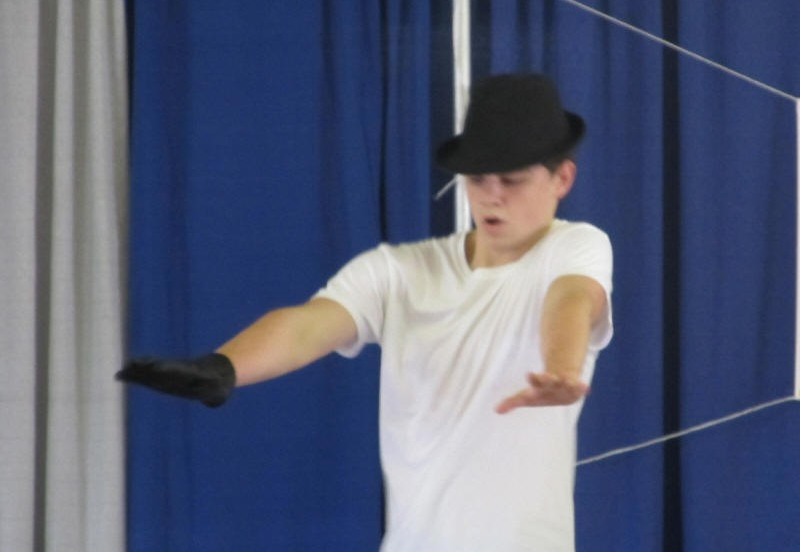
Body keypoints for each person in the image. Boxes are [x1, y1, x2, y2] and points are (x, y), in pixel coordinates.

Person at [117, 73, 613, 552]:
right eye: (478, 178)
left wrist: (561, 369)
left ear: (562, 178)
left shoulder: (575, 246)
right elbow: (308, 326)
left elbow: (571, 299)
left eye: (512, 179)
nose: (492, 195)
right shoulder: (398, 271)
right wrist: (224, 367)